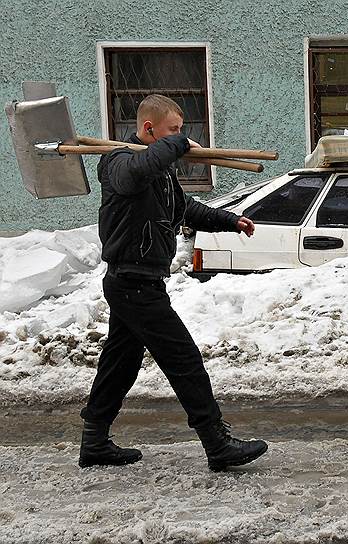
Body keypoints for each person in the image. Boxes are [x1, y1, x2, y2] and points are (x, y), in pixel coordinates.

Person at [79, 94, 268, 471]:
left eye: (182, 132)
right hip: (132, 282)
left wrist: (230, 221)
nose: (183, 139)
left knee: (120, 363)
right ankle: (216, 442)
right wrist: (177, 145)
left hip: (141, 281)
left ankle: (95, 441)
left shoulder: (160, 171)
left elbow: (185, 209)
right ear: (149, 129)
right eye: (174, 131)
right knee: (183, 358)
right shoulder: (118, 161)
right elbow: (136, 173)